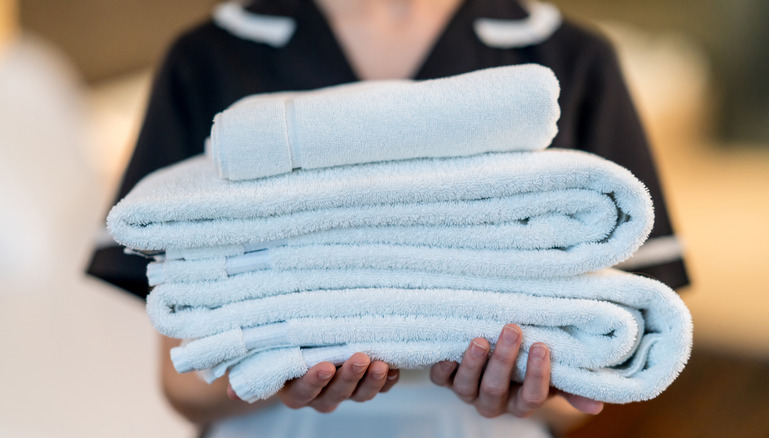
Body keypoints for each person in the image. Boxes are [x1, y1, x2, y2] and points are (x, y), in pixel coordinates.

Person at [86, 0, 689, 436]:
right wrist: (275, 371)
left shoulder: (571, 58)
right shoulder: (209, 56)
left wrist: (523, 391)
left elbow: (605, 361)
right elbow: (183, 386)